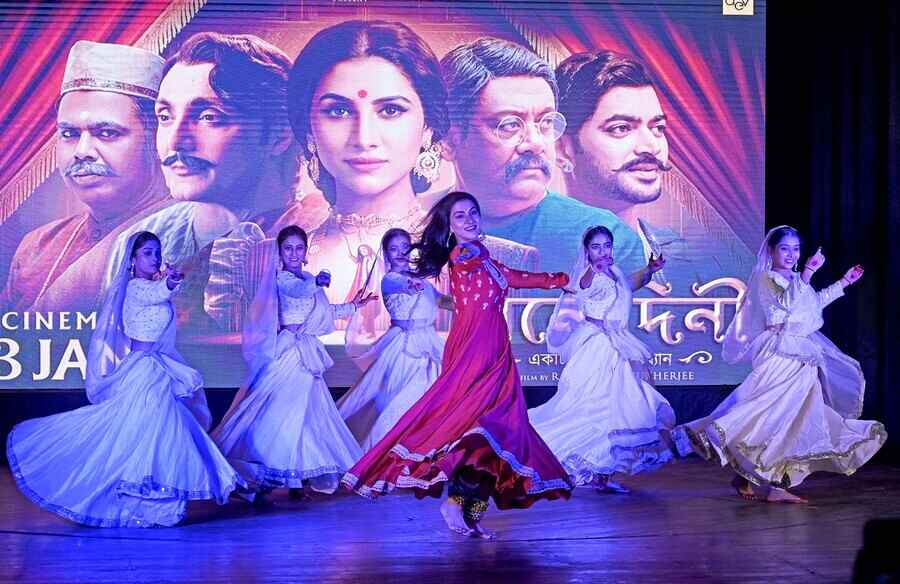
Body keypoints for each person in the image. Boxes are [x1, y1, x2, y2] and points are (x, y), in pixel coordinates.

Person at [343, 191, 574, 540]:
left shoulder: (487, 259)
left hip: (497, 354)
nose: (469, 220)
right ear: (450, 227)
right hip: (475, 352)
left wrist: (558, 280)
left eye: (473, 213)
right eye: (460, 216)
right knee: (475, 432)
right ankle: (452, 504)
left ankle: (472, 512)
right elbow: (466, 260)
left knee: (496, 443)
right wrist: (468, 254)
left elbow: (514, 276)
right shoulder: (465, 253)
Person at [287, 21, 540, 317]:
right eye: (338, 111)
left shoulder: (502, 260)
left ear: (428, 127)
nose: (364, 138)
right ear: (308, 131)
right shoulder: (257, 262)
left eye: (391, 111)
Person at [6, 232, 241, 527]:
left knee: (155, 432)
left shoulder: (148, 286)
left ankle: (157, 500)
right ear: (132, 260)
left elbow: (162, 297)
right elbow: (161, 292)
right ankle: (146, 496)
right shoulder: (136, 288)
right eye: (147, 253)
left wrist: (167, 281)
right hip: (144, 370)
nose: (154, 258)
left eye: (157, 252)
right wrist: (171, 280)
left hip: (153, 367)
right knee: (152, 430)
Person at [673, 226, 886, 503]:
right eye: (784, 248)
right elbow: (784, 307)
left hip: (802, 357)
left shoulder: (796, 279)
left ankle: (761, 480)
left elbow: (812, 305)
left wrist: (844, 282)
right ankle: (705, 436)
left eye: (796, 249)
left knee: (795, 420)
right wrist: (808, 273)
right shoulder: (766, 279)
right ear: (771, 251)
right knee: (767, 411)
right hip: (781, 354)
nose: (791, 254)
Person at [439, 37, 644, 276]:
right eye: (509, 125)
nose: (536, 143)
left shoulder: (606, 238)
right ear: (448, 140)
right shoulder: (412, 227)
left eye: (546, 122)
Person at [554, 50, 755, 292]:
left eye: (658, 128)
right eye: (621, 128)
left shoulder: (698, 259)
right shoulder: (535, 255)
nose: (651, 146)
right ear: (563, 149)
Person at [211, 226, 375, 499]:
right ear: (280, 252)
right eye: (288, 248)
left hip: (306, 350)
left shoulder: (307, 277)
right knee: (281, 413)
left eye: (299, 248)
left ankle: (299, 478)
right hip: (289, 350)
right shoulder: (283, 279)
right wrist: (318, 282)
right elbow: (299, 292)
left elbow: (325, 310)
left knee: (309, 415)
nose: (294, 253)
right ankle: (266, 475)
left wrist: (354, 306)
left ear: (305, 251)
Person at [4, 41, 169, 312]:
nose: (82, 152)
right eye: (69, 134)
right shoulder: (35, 247)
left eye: (107, 133)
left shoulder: (195, 232)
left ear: (158, 139)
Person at [529, 226, 675, 493]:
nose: (602, 251)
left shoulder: (614, 272)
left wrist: (650, 269)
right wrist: (592, 268)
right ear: (586, 251)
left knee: (621, 407)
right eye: (596, 247)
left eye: (606, 245)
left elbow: (629, 284)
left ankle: (602, 473)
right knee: (594, 408)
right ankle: (546, 453)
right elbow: (582, 286)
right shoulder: (588, 276)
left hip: (618, 344)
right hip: (597, 346)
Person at [338, 228, 453, 450]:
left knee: (431, 399)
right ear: (387, 254)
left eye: (404, 247)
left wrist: (466, 301)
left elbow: (441, 300)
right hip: (403, 346)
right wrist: (411, 285)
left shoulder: (421, 280)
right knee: (398, 403)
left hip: (429, 343)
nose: (400, 252)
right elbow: (403, 286)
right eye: (394, 249)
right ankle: (381, 456)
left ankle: (420, 453)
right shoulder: (390, 279)